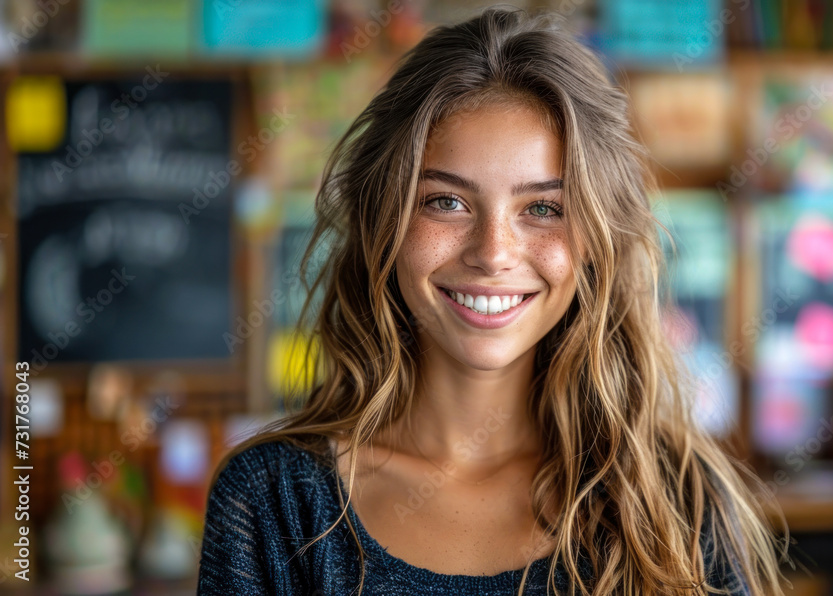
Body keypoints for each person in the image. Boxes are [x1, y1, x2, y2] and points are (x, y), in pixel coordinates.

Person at [197, 6, 789, 595]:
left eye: (543, 208)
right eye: (445, 202)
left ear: (596, 241)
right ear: (384, 220)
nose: (493, 252)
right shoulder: (272, 502)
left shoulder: (676, 500)